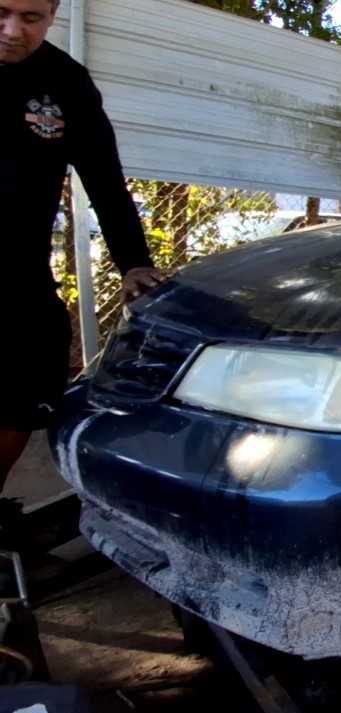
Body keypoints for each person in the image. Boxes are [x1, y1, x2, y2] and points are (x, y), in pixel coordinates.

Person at [0, 0, 166, 500]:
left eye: (31, 17)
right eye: (2, 12)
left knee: (28, 377)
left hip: (17, 272)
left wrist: (134, 262)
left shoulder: (65, 82)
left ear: (52, 14)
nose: (13, 30)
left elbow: (105, 181)